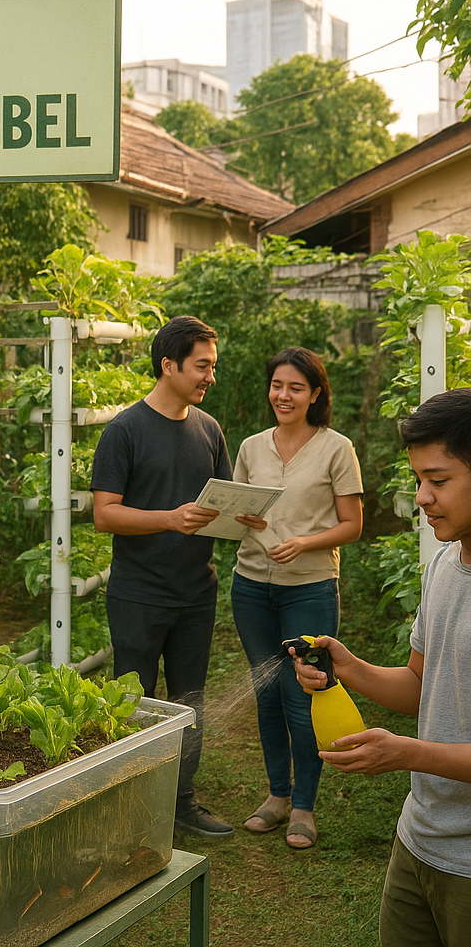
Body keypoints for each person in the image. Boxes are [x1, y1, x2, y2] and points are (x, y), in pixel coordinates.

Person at [294, 387, 471, 945]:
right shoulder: (445, 563)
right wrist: (348, 668)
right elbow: (421, 684)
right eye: (418, 479)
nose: (422, 497)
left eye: (438, 481)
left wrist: (409, 753)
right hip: (419, 839)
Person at [91, 314, 234, 836]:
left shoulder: (209, 429)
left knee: (188, 699)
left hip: (197, 591)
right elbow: (105, 514)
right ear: (168, 365)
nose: (209, 378)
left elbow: (221, 503)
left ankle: (181, 800)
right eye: (202, 367)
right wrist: (171, 518)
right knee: (132, 701)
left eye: (213, 368)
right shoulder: (124, 430)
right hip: (138, 594)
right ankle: (129, 805)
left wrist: (245, 516)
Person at [232, 346, 363, 849]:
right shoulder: (250, 447)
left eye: (295, 388)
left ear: (315, 394)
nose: (283, 395)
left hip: (308, 588)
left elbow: (352, 526)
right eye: (277, 385)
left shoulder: (336, 448)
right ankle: (276, 795)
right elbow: (238, 508)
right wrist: (240, 518)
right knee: (266, 692)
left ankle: (304, 807)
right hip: (250, 586)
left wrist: (304, 541)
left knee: (302, 694)